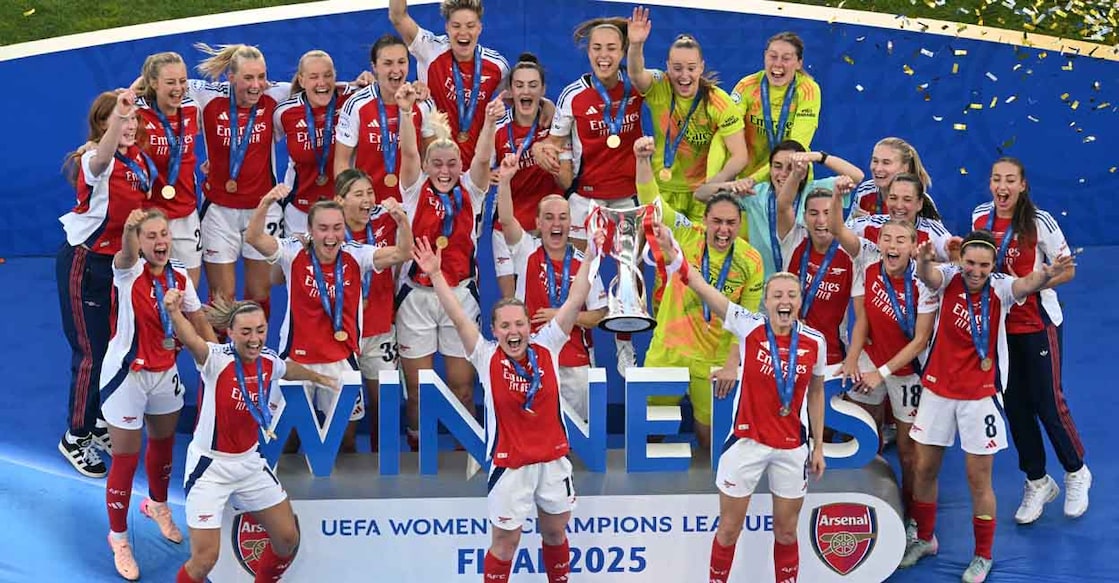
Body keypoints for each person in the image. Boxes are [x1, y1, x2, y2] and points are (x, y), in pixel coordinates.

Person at [411, 226, 599, 582]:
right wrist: (435, 274)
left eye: (520, 324)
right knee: (505, 543)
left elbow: (575, 300)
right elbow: (457, 316)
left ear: (530, 327)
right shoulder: (485, 356)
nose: (513, 332)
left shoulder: (548, 346)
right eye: (505, 326)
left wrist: (590, 256)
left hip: (553, 461)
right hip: (510, 467)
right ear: (495, 330)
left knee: (556, 533)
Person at [900, 231, 1074, 582]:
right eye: (970, 263)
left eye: (983, 265)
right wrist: (921, 260)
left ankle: (982, 555)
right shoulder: (948, 277)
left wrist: (1048, 272)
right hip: (937, 391)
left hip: (980, 397)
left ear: (993, 265)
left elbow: (1027, 284)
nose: (975, 271)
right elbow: (927, 275)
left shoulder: (1001, 288)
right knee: (923, 469)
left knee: (979, 481)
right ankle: (925, 538)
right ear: (961, 260)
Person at [656, 242, 826, 582]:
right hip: (746, 443)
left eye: (791, 295)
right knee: (729, 529)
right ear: (766, 301)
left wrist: (818, 445)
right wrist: (676, 259)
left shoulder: (814, 342)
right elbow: (706, 291)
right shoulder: (749, 326)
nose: (784, 302)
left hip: (792, 447)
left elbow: (816, 391)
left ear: (799, 301)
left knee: (787, 532)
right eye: (777, 295)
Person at [164, 293, 339, 583]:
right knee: (204, 559)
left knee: (286, 539)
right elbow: (193, 340)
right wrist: (173, 312)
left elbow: (289, 368)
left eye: (260, 330)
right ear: (230, 333)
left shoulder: (268, 361)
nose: (255, 338)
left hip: (249, 464)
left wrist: (320, 379)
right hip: (210, 468)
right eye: (246, 332)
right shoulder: (215, 360)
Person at [246, 185, 412, 453]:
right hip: (295, 360)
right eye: (323, 228)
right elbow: (254, 238)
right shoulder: (293, 251)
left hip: (341, 361)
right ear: (310, 230)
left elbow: (402, 253)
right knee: (287, 440)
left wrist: (402, 222)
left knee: (345, 441)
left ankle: (344, 495)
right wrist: (266, 202)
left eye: (337, 227)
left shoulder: (356, 255)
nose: (331, 235)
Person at [971, 158, 1089, 524]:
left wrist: (1034, 283)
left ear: (1022, 185)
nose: (1002, 186)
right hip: (999, 330)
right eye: (996, 179)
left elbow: (1068, 270)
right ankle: (1037, 481)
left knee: (1048, 404)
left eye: (1010, 180)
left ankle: (1076, 471)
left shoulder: (1040, 222)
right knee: (1016, 408)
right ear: (990, 184)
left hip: (1038, 325)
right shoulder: (979, 217)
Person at [100, 208, 214, 580]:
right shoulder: (127, 270)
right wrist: (131, 228)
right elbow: (125, 254)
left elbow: (198, 322)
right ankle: (118, 537)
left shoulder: (180, 275)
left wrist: (220, 360)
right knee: (126, 457)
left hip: (165, 373)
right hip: (126, 378)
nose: (160, 242)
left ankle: (158, 505)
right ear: (138, 240)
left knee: (164, 444)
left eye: (163, 234)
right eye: (151, 236)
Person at [633, 136, 764, 450]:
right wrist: (642, 161)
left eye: (731, 223)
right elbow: (652, 204)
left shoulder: (750, 261)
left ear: (740, 223)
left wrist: (733, 364)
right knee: (647, 433)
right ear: (704, 220)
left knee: (711, 442)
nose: (723, 230)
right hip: (670, 349)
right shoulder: (687, 235)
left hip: (715, 361)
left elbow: (746, 322)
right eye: (716, 221)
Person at [828, 190, 937, 539]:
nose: (892, 245)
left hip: (908, 373)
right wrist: (852, 357)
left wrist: (883, 373)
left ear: (913, 246)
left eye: (900, 240)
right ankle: (859, 503)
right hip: (870, 360)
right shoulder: (869, 269)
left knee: (909, 452)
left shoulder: (925, 283)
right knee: (861, 431)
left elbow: (920, 340)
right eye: (886, 238)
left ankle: (911, 517)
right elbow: (861, 320)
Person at [393, 81, 498, 448]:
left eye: (452, 163)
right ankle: (419, 450)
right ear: (425, 165)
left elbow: (483, 159)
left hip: (459, 294)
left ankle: (465, 454)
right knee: (419, 394)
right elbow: (406, 154)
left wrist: (488, 123)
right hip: (417, 296)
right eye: (436, 163)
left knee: (462, 388)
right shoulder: (413, 187)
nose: (444, 170)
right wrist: (405, 112)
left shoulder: (472, 189)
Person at [56, 90, 152, 477]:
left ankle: (96, 423)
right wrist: (115, 121)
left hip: (118, 267)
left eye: (132, 119)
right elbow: (103, 156)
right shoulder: (93, 160)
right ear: (102, 125)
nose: (128, 125)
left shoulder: (138, 158)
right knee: (90, 354)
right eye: (118, 120)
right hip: (86, 265)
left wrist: (126, 99)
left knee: (114, 348)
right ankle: (75, 436)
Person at [494, 152, 606, 422]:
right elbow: (507, 220)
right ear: (538, 223)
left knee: (576, 432)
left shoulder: (584, 261)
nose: (556, 223)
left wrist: (562, 316)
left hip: (575, 361)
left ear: (571, 223)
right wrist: (505, 181)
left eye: (563, 217)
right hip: (530, 358)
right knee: (533, 429)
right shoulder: (526, 250)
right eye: (549, 217)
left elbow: (599, 315)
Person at [188, 43, 292, 320]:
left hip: (263, 209)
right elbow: (160, 80)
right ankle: (223, 361)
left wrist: (357, 83)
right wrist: (126, 94)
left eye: (262, 76)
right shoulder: (206, 95)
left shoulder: (276, 95)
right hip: (218, 211)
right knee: (223, 298)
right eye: (249, 78)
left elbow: (321, 85)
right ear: (230, 77)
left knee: (259, 294)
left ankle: (253, 359)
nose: (257, 85)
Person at [625, 7, 748, 222]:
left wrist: (714, 185)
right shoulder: (660, 86)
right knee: (658, 251)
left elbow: (740, 156)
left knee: (696, 253)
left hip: (699, 195)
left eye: (691, 68)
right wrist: (636, 45)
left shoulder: (717, 101)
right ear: (667, 67)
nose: (684, 76)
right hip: (661, 188)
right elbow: (636, 74)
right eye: (677, 68)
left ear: (701, 67)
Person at [535, 16, 644, 246]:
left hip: (629, 195)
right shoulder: (573, 95)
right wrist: (539, 149)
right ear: (588, 53)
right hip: (585, 197)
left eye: (611, 48)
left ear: (623, 52)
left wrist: (638, 44)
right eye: (597, 48)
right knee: (577, 273)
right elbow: (553, 142)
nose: (603, 55)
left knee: (632, 275)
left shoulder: (637, 86)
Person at [700, 140, 863, 277]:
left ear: (803, 171)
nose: (784, 174)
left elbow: (857, 176)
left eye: (791, 168)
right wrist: (732, 185)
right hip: (763, 288)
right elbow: (701, 194)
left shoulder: (817, 192)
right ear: (769, 169)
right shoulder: (755, 194)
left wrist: (818, 156)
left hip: (806, 288)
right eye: (777, 166)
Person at [336, 168, 411, 450]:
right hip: (342, 336)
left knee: (386, 409)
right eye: (358, 194)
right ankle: (342, 480)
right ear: (340, 200)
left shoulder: (385, 219)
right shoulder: (329, 228)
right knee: (345, 418)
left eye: (370, 192)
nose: (367, 199)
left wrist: (401, 217)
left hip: (380, 329)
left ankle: (385, 476)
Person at [389, 0, 509, 167]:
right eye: (456, 26)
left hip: (474, 171)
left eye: (470, 25)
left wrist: (544, 104)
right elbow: (398, 16)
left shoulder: (498, 66)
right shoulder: (430, 49)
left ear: (479, 28)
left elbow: (515, 97)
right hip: (434, 167)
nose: (463, 32)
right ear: (447, 28)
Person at [492, 53, 572, 299]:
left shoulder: (557, 126)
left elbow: (567, 182)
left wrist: (552, 164)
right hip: (508, 227)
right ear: (510, 90)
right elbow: (480, 174)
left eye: (533, 85)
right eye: (519, 85)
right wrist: (495, 175)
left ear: (543, 89)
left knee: (551, 302)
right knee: (511, 304)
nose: (526, 91)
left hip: (548, 228)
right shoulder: (497, 126)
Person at [774, 162, 860, 375]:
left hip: (830, 357)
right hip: (787, 349)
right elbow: (783, 206)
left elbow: (862, 314)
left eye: (827, 212)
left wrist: (853, 357)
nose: (821, 220)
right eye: (813, 213)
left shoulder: (851, 253)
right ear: (804, 217)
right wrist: (795, 174)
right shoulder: (794, 240)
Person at [333, 33, 435, 205]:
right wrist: (352, 203)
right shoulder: (357, 104)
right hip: (370, 206)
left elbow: (432, 158)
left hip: (411, 205)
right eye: (387, 63)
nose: (396, 70)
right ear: (374, 67)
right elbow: (342, 163)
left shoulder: (423, 103)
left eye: (401, 62)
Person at [133, 51, 204, 288]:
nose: (178, 88)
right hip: (149, 215)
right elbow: (111, 110)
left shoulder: (192, 108)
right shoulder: (137, 112)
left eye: (183, 81)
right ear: (153, 82)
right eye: (170, 82)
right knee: (148, 291)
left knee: (189, 292)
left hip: (185, 212)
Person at [275, 50, 355, 235]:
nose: (322, 83)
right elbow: (263, 144)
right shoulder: (285, 112)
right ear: (302, 81)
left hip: (342, 208)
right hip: (299, 210)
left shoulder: (351, 101)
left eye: (328, 75)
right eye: (314, 77)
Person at [728, 32, 822, 183]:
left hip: (789, 178)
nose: (778, 64)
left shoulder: (808, 90)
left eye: (786, 58)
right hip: (746, 183)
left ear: (799, 63)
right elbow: (726, 133)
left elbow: (796, 149)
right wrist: (719, 180)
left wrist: (752, 181)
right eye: (773, 56)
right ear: (765, 56)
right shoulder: (746, 85)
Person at [846, 173, 952, 262]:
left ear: (919, 204)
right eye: (893, 198)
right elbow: (836, 233)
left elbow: (960, 267)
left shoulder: (934, 234)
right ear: (887, 200)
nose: (899, 205)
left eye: (907, 199)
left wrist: (927, 266)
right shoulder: (869, 224)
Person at [849, 137, 933, 219]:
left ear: (905, 167)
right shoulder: (865, 190)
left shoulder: (918, 200)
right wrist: (855, 224)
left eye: (886, 163)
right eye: (875, 161)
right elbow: (846, 228)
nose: (878, 168)